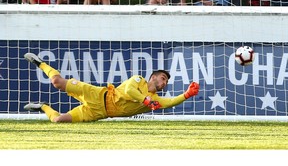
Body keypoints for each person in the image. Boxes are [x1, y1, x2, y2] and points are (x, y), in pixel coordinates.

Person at [23, 52, 200, 123]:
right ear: (153, 77)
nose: (164, 83)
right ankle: (42, 64)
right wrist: (144, 99)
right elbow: (130, 91)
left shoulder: (154, 99)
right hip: (98, 95)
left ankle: (42, 106)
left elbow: (169, 102)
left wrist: (186, 94)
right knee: (57, 83)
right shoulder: (139, 80)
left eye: (166, 82)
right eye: (163, 78)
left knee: (58, 121)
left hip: (99, 113)